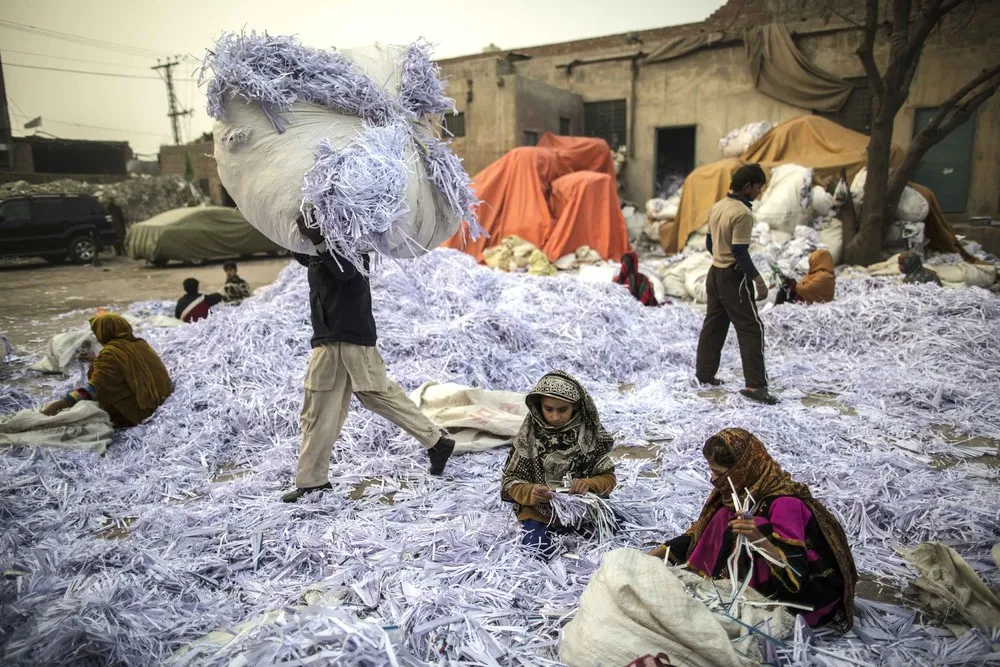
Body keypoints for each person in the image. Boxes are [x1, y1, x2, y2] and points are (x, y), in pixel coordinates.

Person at [282, 216, 456, 503]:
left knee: (360, 397)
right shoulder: (321, 250)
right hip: (332, 336)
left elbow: (345, 271)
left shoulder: (353, 245)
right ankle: (312, 481)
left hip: (349, 336)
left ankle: (436, 441)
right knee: (328, 407)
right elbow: (310, 258)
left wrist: (319, 239)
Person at [649, 428, 857, 630]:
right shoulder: (740, 491)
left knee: (748, 524)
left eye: (718, 472)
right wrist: (653, 556)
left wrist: (758, 538)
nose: (713, 478)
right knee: (725, 515)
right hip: (764, 578)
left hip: (806, 595)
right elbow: (700, 534)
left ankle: (735, 591)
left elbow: (797, 575)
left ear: (741, 470)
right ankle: (725, 585)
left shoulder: (785, 504)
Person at [501, 371, 616, 558]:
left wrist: (588, 484)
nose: (555, 417)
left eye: (562, 410)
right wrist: (531, 492)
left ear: (576, 407)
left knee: (612, 534)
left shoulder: (589, 435)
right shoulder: (528, 436)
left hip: (582, 510)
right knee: (537, 550)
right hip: (540, 512)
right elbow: (509, 482)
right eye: (548, 409)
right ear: (539, 407)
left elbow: (608, 478)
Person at [695, 164, 776, 405]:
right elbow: (740, 251)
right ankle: (755, 386)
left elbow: (710, 244)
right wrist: (758, 280)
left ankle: (705, 374)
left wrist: (720, 257)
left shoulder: (718, 207)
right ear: (748, 186)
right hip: (733, 278)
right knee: (751, 328)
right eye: (758, 187)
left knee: (714, 325)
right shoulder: (742, 213)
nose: (759, 192)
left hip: (715, 273)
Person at [41, 313, 173, 428]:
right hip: (160, 404)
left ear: (103, 332)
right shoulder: (139, 343)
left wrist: (61, 404)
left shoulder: (110, 353)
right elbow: (120, 371)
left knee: (85, 411)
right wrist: (95, 360)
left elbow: (94, 389)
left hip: (138, 413)